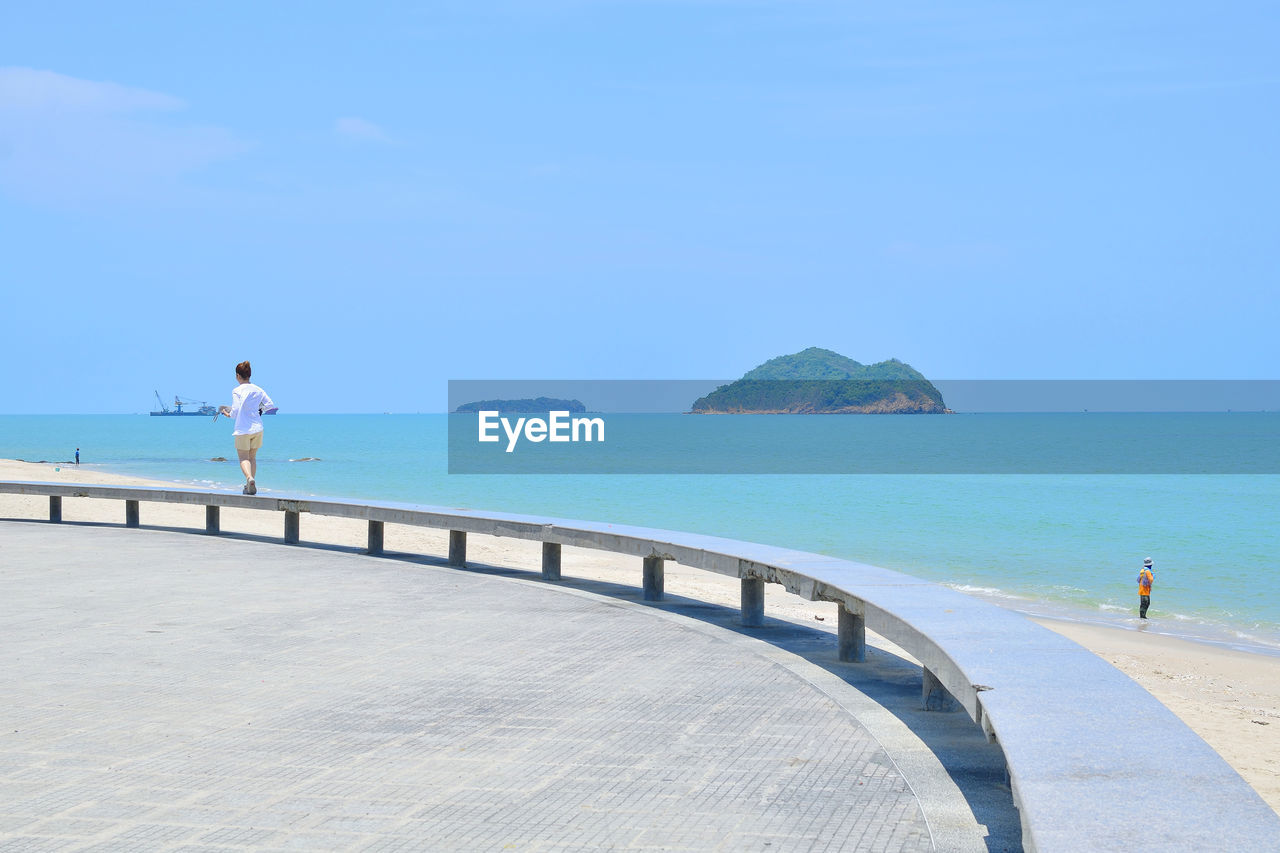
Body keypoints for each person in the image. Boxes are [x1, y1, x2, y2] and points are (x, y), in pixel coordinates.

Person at [218, 360, 274, 495]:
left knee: (243, 458)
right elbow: (270, 405)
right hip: (258, 428)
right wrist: (259, 410)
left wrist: (226, 413)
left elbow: (235, 412)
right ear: (249, 374)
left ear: (238, 376)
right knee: (252, 458)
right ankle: (249, 485)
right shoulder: (258, 389)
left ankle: (249, 479)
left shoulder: (237, 390)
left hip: (243, 429)